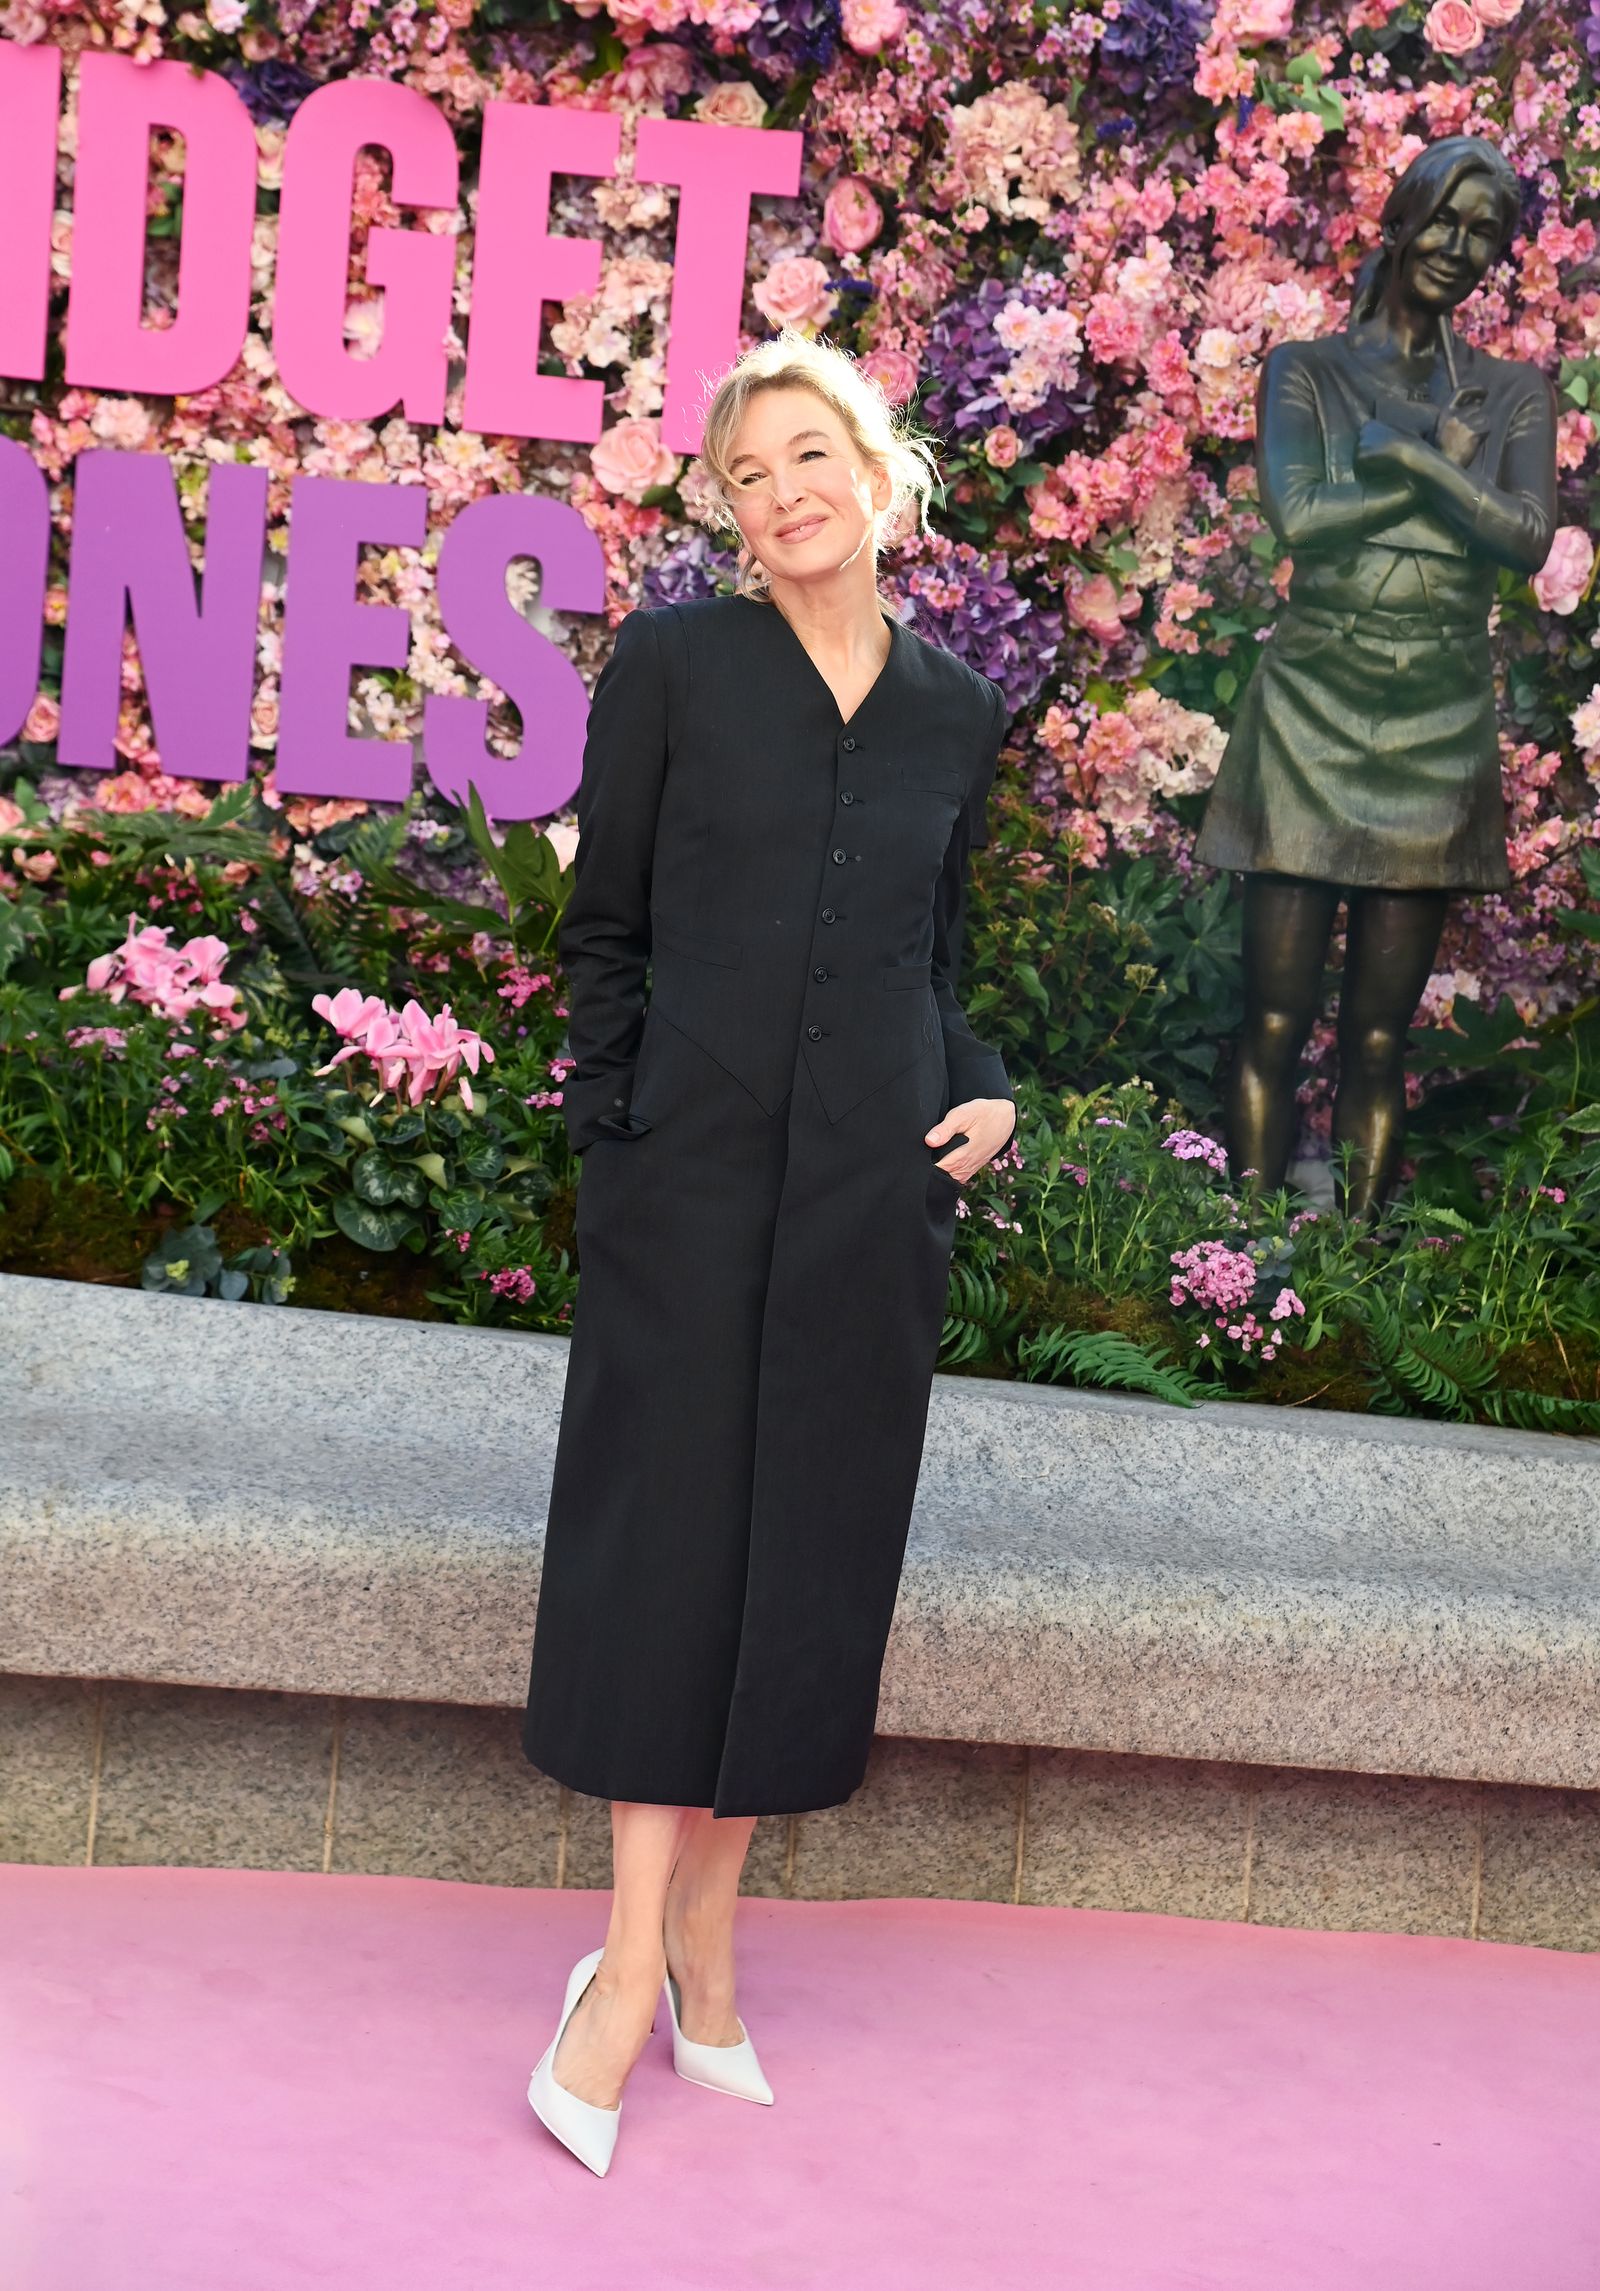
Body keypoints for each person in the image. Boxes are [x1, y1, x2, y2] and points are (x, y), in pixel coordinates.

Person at [520, 330, 1018, 2175]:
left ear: (879, 473)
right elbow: (606, 934)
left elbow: (938, 962)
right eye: (750, 474)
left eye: (813, 456)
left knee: (802, 1562)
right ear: (731, 510)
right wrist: (620, 1145)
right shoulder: (674, 666)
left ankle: (700, 1942)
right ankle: (634, 1974)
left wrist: (983, 1093)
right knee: (675, 1561)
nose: (786, 493)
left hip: (869, 1199)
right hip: (691, 1186)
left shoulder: (958, 709)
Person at [1193, 135, 1557, 1217]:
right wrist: (1437, 468)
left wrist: (1400, 461)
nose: (1458, 246)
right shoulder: (1305, 370)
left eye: (1483, 231)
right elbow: (1302, 517)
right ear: (1400, 218)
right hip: (1310, 706)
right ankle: (1244, 1266)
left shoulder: (1512, 393)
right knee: (1270, 1014)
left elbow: (1527, 539)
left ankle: (1349, 1286)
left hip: (1436, 720)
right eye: (1444, 217)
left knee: (1379, 1034)